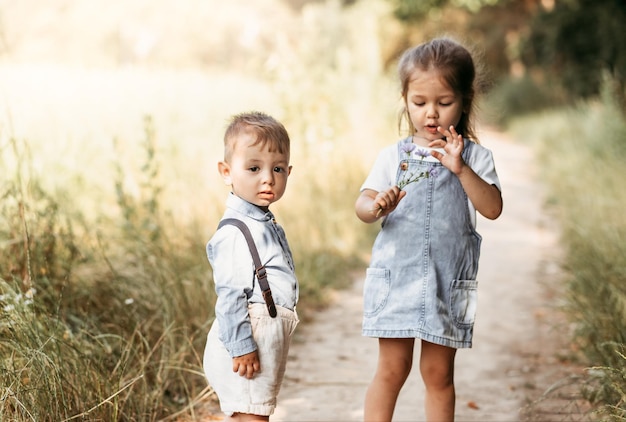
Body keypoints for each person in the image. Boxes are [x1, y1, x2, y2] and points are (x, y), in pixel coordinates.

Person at [355, 37, 503, 421]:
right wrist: (375, 206)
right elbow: (363, 206)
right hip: (398, 278)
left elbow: (492, 208)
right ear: (405, 98)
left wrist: (460, 169)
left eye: (444, 102)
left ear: (465, 99)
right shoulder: (393, 156)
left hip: (446, 280)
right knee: (392, 369)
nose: (431, 114)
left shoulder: (476, 157)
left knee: (438, 374)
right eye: (419, 103)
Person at [203, 111, 299, 422]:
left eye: (278, 168)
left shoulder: (263, 222)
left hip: (267, 336)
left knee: (256, 414)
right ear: (227, 171)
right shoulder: (235, 230)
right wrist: (242, 347)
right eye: (254, 168)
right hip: (248, 341)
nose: (268, 178)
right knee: (251, 416)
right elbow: (231, 295)